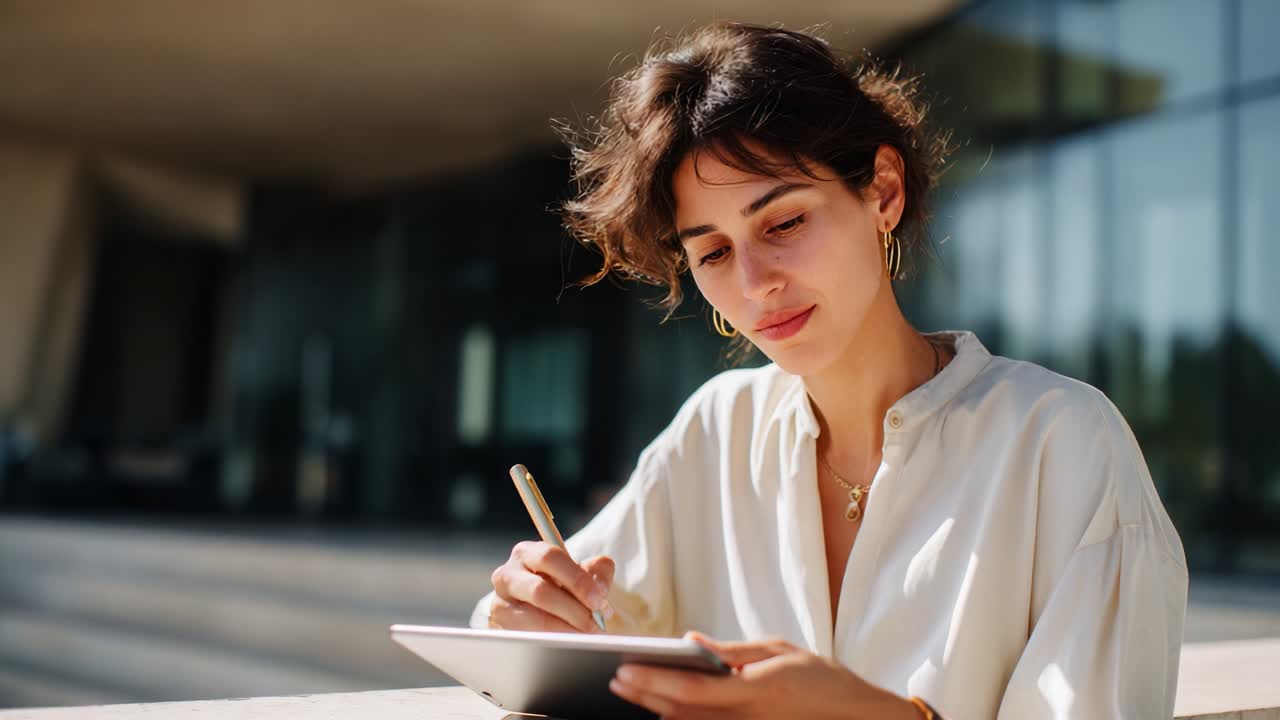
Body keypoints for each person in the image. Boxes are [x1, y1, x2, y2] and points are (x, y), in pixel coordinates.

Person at [470, 21, 1187, 719]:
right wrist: (523, 613)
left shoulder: (1060, 446)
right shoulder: (717, 433)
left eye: (783, 223)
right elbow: (558, 629)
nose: (755, 284)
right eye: (713, 252)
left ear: (883, 191)